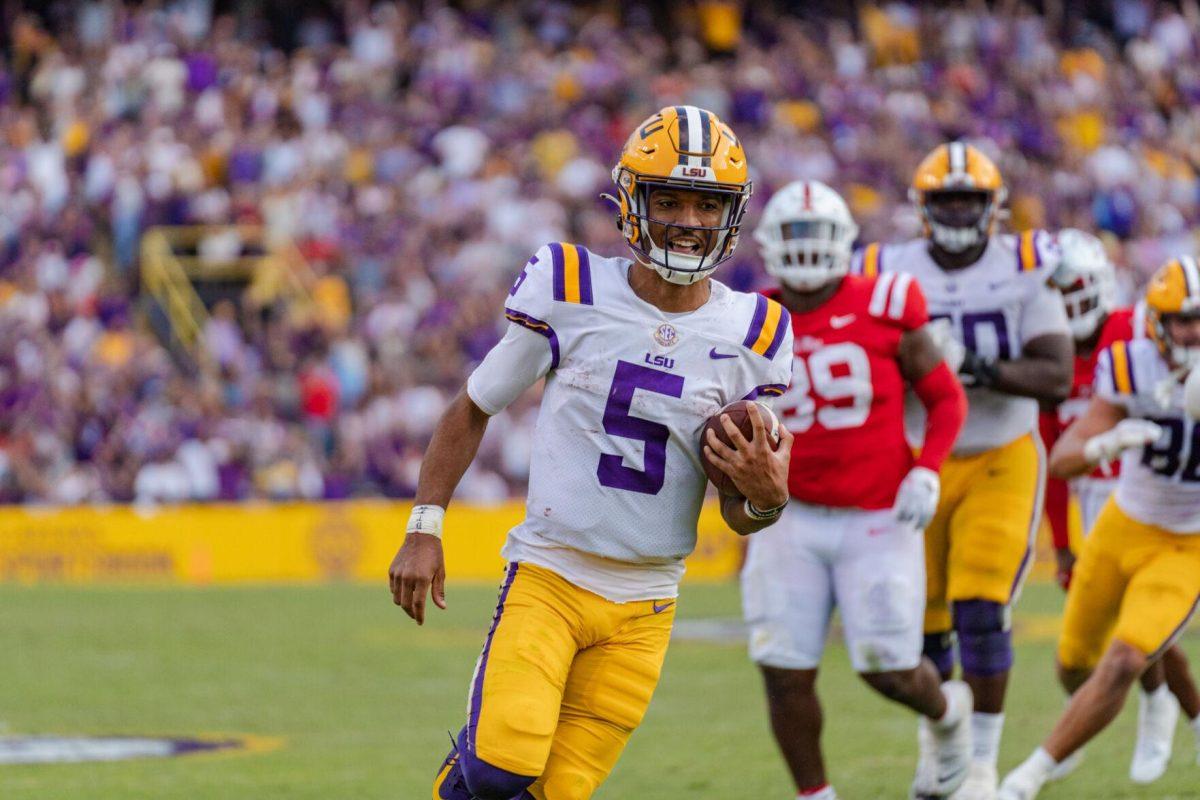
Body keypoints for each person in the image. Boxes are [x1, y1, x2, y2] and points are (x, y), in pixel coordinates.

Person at [388, 105, 795, 800]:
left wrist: (767, 496)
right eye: (668, 198)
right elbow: (474, 405)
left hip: (647, 602)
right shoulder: (570, 287)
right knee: (497, 768)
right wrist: (425, 526)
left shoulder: (756, 331)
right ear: (631, 201)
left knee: (559, 793)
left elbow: (740, 513)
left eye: (707, 203)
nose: (690, 220)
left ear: (732, 213)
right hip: (551, 574)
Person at [854, 142, 1074, 800]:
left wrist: (970, 366)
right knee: (919, 621)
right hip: (918, 456)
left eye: (968, 199)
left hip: (1000, 455)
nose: (956, 210)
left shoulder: (1025, 268)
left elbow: (1057, 375)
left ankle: (980, 764)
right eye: (945, 199)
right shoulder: (886, 270)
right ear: (923, 206)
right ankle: (941, 748)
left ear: (992, 206)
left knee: (980, 607)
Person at [742, 179, 970, 800]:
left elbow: (946, 398)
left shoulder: (887, 301)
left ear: (844, 242)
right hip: (787, 517)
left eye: (817, 235)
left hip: (878, 514)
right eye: (794, 235)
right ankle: (815, 795)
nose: (807, 249)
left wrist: (927, 468)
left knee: (890, 671)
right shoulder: (750, 319)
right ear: (768, 244)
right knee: (782, 669)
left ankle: (949, 716)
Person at [998, 256, 1200, 799]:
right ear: (1155, 323)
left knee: (1128, 654)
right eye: (1184, 319)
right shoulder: (1130, 364)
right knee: (1074, 663)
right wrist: (1104, 445)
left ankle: (1024, 779)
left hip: (1189, 542)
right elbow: (1063, 457)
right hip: (1121, 524)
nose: (1195, 331)